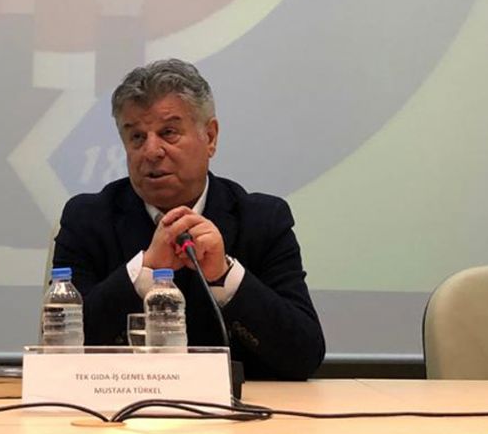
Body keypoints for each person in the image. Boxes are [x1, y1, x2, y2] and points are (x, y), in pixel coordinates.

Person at [52, 59, 325, 379]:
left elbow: (304, 355)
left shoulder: (262, 220)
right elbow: (60, 352)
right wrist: (144, 271)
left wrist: (225, 276)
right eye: (137, 137)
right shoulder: (87, 219)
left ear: (210, 137)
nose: (151, 151)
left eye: (168, 133)